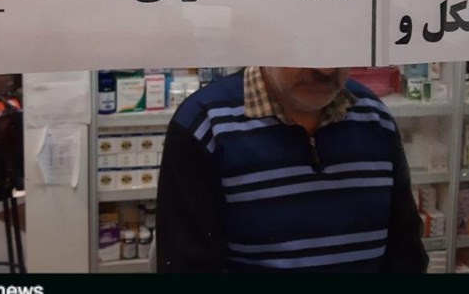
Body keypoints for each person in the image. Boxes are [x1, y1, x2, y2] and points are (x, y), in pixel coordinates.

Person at [156, 66, 428, 273]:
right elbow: (188, 267)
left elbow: (406, 256)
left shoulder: (375, 119)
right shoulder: (204, 126)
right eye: (306, 47)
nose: (325, 69)